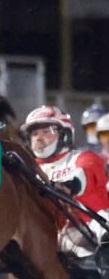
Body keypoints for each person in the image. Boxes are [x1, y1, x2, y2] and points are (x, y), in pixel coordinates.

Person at [22, 104, 109, 258]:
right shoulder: (26, 168)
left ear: (65, 134)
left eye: (46, 131)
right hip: (45, 237)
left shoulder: (84, 157)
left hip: (90, 231)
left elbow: (84, 173)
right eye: (34, 133)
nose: (39, 138)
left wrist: (68, 186)